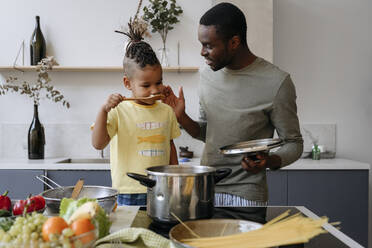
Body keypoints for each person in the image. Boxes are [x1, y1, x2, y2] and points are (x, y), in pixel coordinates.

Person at [162, 2, 303, 221]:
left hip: (246, 198)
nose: (202, 52)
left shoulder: (277, 82)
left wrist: (269, 161)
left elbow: (294, 143)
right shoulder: (207, 75)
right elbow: (207, 131)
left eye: (208, 45)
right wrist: (181, 117)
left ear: (234, 42)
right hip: (205, 192)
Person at [92, 26, 181, 206]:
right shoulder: (119, 109)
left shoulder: (166, 111)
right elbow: (98, 144)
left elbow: (170, 146)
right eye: (146, 85)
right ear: (127, 83)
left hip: (161, 188)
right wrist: (103, 110)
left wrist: (175, 181)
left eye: (159, 82)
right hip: (128, 191)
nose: (155, 90)